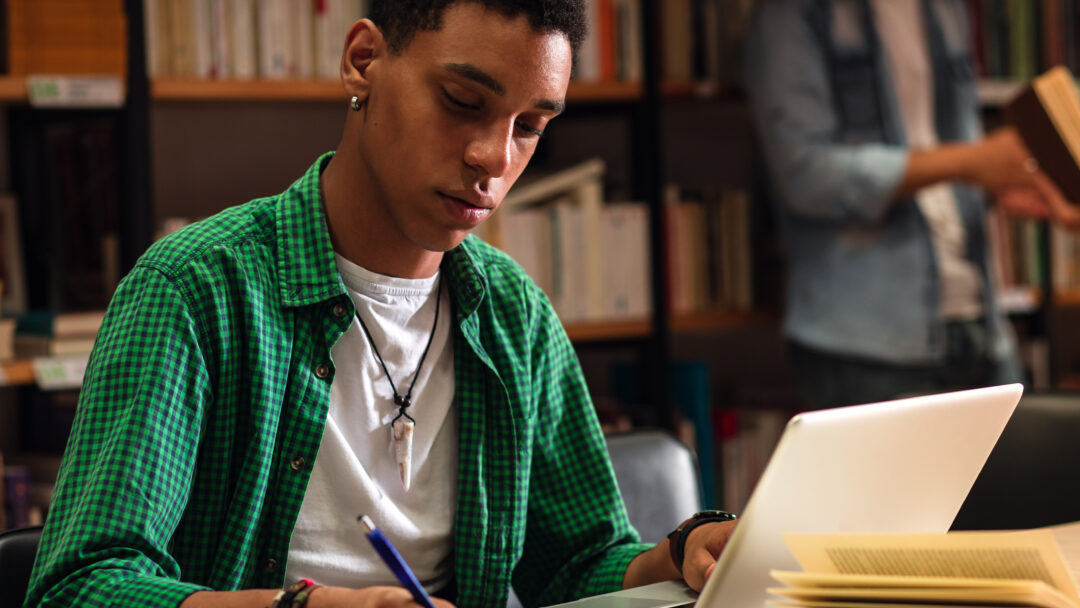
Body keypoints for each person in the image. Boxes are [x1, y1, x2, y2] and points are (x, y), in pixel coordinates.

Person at [25, 2, 736, 607]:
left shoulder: (515, 316)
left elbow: (579, 566)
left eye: (529, 127)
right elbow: (81, 586)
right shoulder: (194, 291)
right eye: (464, 103)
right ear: (363, 60)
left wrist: (682, 553)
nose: (494, 157)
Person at [740, 0, 1080, 410]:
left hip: (979, 319)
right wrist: (972, 163)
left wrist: (1000, 183)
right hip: (869, 336)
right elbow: (805, 176)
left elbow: (952, 149)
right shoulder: (792, 16)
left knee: (1022, 471)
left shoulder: (946, 10)